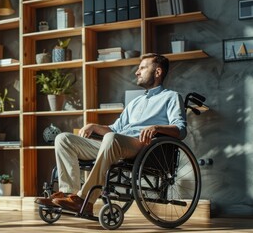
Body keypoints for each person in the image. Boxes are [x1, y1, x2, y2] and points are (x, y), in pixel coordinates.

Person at [34, 53, 187, 215]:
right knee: (63, 138)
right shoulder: (135, 102)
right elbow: (115, 129)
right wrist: (94, 126)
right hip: (114, 142)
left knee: (111, 138)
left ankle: (85, 200)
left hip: (141, 147)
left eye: (142, 68)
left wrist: (157, 127)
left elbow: (181, 129)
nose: (137, 72)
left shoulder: (171, 97)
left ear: (157, 72)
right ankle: (68, 194)